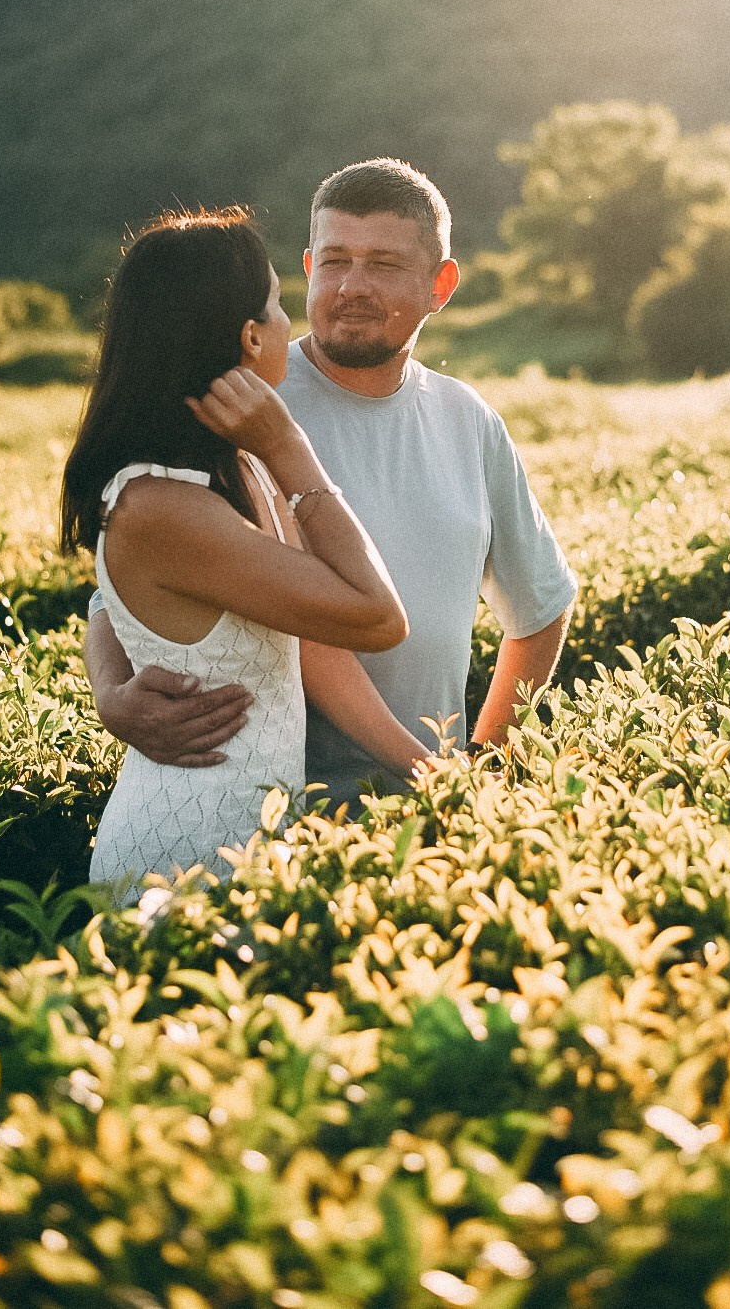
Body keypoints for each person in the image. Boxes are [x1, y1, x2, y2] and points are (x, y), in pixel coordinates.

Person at [87, 160, 578, 810]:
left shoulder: (470, 420)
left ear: (441, 284)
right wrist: (110, 695)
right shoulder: (245, 401)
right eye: (335, 260)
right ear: (308, 264)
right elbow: (126, 577)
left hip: (429, 805)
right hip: (288, 813)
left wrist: (486, 759)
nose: (352, 286)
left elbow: (541, 605)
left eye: (384, 264)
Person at [61, 208, 419, 897]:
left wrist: (430, 769)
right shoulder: (168, 505)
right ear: (251, 336)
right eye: (281, 305)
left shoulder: (227, 470)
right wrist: (291, 448)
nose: (293, 325)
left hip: (246, 845)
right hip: (181, 859)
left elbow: (313, 636)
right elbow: (376, 616)